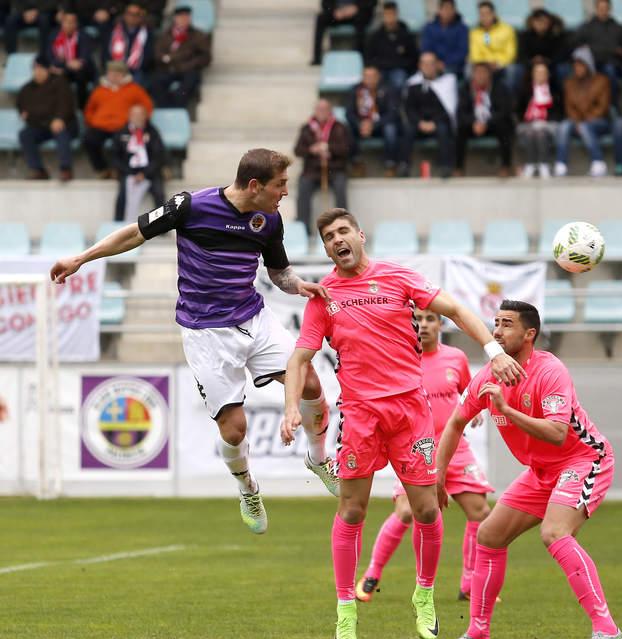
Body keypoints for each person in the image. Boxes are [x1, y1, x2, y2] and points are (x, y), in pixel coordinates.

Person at [49, 149, 341, 532]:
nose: (285, 192)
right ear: (255, 186)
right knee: (234, 430)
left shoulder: (268, 219)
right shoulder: (190, 206)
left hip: (254, 318)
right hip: (206, 332)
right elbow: (135, 233)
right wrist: (81, 258)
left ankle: (319, 458)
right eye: (280, 185)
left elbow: (278, 271)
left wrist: (297, 285)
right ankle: (248, 487)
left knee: (312, 383)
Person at [280, 208, 525, 639]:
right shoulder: (323, 296)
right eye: (328, 236)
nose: (337, 239)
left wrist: (492, 351)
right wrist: (292, 406)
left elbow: (454, 308)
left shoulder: (398, 278)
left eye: (342, 231)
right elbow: (299, 359)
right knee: (351, 511)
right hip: (360, 415)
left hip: (410, 412)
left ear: (360, 234)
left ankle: (424, 593)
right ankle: (345, 608)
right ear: (325, 246)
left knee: (428, 510)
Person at [432, 300, 622, 639]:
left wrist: (506, 411)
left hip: (583, 459)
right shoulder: (489, 375)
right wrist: (438, 475)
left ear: (529, 334)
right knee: (489, 536)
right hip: (541, 471)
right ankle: (477, 637)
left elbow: (556, 433)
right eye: (495, 323)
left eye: (506, 324)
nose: (497, 331)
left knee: (554, 533)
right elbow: (456, 423)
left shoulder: (550, 371)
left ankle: (606, 629)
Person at [355, 307, 494, 604]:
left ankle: (469, 584)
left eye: (431, 319)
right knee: (406, 512)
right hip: (416, 449)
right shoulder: (400, 360)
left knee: (480, 513)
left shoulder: (455, 358)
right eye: (417, 320)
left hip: (456, 448)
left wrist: (474, 411)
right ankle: (372, 573)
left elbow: (467, 392)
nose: (424, 325)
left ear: (440, 324)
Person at [83, 60, 153, 178]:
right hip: (101, 125)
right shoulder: (99, 90)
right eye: (111, 73)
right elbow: (89, 109)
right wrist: (92, 121)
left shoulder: (134, 89)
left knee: (122, 142)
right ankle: (102, 169)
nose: (113, 76)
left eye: (117, 74)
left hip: (123, 125)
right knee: (89, 139)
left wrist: (139, 121)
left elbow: (147, 107)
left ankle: (120, 170)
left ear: (124, 75)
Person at [17, 55, 79, 181]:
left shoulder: (60, 82)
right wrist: (25, 113)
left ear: (48, 70)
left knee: (61, 132)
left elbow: (66, 105)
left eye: (41, 69)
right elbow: (22, 107)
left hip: (65, 124)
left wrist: (59, 118)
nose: (38, 72)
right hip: (41, 126)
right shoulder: (27, 88)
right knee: (25, 134)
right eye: (35, 69)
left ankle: (65, 169)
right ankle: (38, 170)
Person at [294, 99, 350, 234]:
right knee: (303, 187)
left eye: (325, 109)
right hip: (312, 171)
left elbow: (346, 149)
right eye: (319, 109)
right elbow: (298, 150)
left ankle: (342, 225)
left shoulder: (339, 127)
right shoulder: (307, 127)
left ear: (330, 111)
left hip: (335, 169)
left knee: (340, 187)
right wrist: (312, 150)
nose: (321, 112)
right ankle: (303, 228)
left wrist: (329, 149)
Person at [555, 46, 611, 178]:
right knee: (564, 126)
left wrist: (584, 121)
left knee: (585, 127)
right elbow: (569, 107)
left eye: (580, 65)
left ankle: (598, 163)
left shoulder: (602, 81)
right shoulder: (569, 83)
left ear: (588, 65)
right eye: (575, 65)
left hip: (598, 121)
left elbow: (602, 107)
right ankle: (561, 165)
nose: (577, 68)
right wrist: (577, 122)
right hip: (577, 121)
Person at [401, 51, 458, 178]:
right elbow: (409, 109)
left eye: (431, 63)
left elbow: (449, 110)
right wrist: (420, 122)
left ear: (437, 65)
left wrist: (434, 122)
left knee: (443, 130)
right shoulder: (413, 84)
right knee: (408, 129)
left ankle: (446, 166)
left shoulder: (447, 82)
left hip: (438, 122)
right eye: (424, 64)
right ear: (419, 66)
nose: (427, 67)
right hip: (419, 123)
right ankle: (404, 165)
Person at [456, 61, 514, 177]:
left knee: (505, 127)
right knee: (459, 130)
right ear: (473, 75)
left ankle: (506, 166)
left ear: (489, 74)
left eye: (483, 73)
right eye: (477, 73)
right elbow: (461, 112)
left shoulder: (500, 87)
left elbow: (503, 111)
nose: (480, 76)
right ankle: (458, 168)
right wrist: (474, 123)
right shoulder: (465, 89)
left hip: (492, 123)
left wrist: (486, 123)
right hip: (473, 124)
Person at [111, 103, 165, 221]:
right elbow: (115, 157)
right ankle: (117, 225)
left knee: (159, 193)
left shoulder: (152, 132)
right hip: (128, 171)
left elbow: (158, 156)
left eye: (140, 114)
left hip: (149, 172)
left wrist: (145, 173)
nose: (138, 117)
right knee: (122, 195)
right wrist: (129, 172)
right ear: (129, 116)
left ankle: (162, 226)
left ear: (146, 116)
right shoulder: (121, 133)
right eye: (134, 114)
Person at [150, 5, 211, 108]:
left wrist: (189, 63)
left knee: (185, 88)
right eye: (181, 17)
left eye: (186, 17)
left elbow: (205, 56)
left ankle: (178, 109)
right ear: (175, 19)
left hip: (188, 70)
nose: (183, 19)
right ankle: (166, 109)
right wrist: (169, 59)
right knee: (156, 83)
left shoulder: (198, 35)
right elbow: (157, 54)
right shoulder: (165, 35)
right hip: (168, 69)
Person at [345, 65, 402, 176]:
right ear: (362, 77)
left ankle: (391, 164)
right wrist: (360, 124)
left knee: (391, 129)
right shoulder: (354, 90)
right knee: (347, 130)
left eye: (372, 76)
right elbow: (349, 113)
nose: (369, 79)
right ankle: (356, 163)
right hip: (361, 126)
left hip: (380, 125)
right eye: (366, 76)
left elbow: (392, 114)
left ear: (378, 77)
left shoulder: (389, 90)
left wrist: (374, 125)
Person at [516, 58, 560, 178]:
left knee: (540, 132)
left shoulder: (554, 91)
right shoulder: (525, 90)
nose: (540, 75)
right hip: (528, 124)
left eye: (543, 73)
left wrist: (544, 122)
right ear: (532, 75)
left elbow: (558, 112)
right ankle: (530, 164)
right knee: (531, 132)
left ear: (548, 75)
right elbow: (518, 111)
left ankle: (543, 164)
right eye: (537, 73)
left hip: (548, 124)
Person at [574, 0, 622, 96]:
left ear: (610, 9)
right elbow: (576, 44)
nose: (603, 11)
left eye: (605, 8)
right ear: (596, 9)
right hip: (591, 63)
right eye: (600, 8)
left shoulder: (618, 28)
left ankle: (612, 102)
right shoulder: (587, 27)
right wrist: (611, 50)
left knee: (611, 69)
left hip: (613, 63)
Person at [45, 9, 96, 108]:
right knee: (53, 75)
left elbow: (84, 57)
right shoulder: (54, 36)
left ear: (76, 24)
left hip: (80, 71)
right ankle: (58, 108)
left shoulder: (84, 36)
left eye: (72, 22)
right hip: (63, 69)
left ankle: (82, 107)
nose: (69, 25)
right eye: (66, 22)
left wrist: (69, 65)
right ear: (62, 23)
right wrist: (66, 65)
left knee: (81, 74)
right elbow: (50, 56)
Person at [364, 1, 418, 91]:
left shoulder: (405, 35)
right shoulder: (376, 36)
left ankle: (398, 104)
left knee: (399, 79)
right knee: (373, 79)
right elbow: (369, 58)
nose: (390, 17)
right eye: (387, 14)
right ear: (383, 16)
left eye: (392, 14)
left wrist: (400, 65)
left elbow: (413, 58)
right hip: (380, 70)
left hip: (399, 69)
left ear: (397, 14)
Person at [469, 1, 520, 93]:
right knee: (468, 69)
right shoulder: (474, 32)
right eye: (481, 14)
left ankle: (509, 98)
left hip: (501, 64)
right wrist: (485, 64)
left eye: (487, 13)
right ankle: (476, 99)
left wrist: (498, 63)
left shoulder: (507, 29)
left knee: (512, 70)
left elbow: (511, 52)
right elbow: (474, 53)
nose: (484, 17)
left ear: (493, 14)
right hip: (483, 64)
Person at [103, 2, 154, 84]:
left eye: (136, 14)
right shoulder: (113, 30)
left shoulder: (147, 33)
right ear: (124, 15)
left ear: (140, 17)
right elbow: (106, 52)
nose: (132, 17)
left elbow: (148, 56)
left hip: (136, 70)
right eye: (129, 13)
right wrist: (114, 68)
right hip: (114, 68)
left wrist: (131, 68)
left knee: (139, 80)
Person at [312, 0, 376, 65]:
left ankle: (360, 58)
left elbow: (372, 2)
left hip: (359, 12)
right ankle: (317, 58)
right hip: (337, 13)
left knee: (361, 21)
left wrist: (356, 7)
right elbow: (325, 3)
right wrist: (335, 11)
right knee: (321, 18)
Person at [420, 0, 469, 78]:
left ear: (454, 10)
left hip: (454, 66)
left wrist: (445, 63)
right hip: (432, 64)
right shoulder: (429, 27)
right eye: (445, 9)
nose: (447, 12)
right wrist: (435, 62)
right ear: (439, 10)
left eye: (450, 9)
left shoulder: (462, 29)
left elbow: (462, 51)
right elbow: (425, 48)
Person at [517, 9, 567, 79]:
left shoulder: (556, 35)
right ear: (532, 22)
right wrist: (531, 61)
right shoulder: (525, 36)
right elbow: (521, 54)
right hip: (529, 65)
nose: (541, 24)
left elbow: (561, 53)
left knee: (562, 68)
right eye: (538, 21)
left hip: (551, 65)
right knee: (518, 69)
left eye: (544, 21)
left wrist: (547, 61)